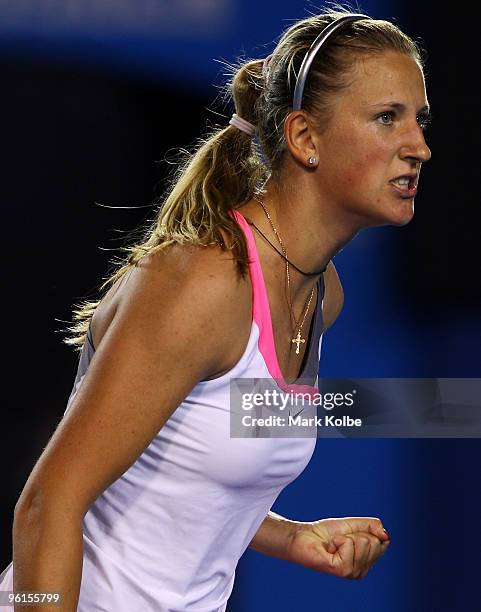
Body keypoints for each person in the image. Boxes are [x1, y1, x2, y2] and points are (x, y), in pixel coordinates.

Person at [1, 6, 432, 611]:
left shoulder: (321, 294)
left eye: (419, 120)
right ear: (305, 139)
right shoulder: (201, 283)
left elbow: (187, 459)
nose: (419, 147)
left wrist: (290, 537)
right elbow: (47, 504)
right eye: (388, 118)